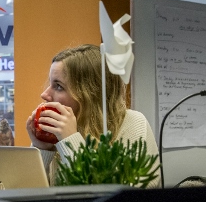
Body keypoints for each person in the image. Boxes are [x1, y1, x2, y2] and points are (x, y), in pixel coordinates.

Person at [25, 44, 160, 187]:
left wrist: (70, 143)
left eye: (58, 86)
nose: (44, 94)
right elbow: (23, 197)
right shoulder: (55, 132)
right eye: (50, 84)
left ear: (88, 95)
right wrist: (42, 149)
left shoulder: (133, 123)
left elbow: (123, 201)